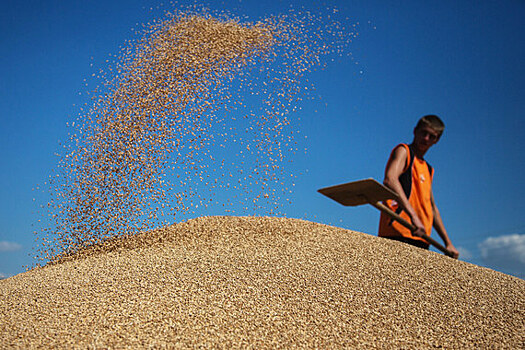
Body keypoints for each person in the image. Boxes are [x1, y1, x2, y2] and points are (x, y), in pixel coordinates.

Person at [378, 115, 459, 258]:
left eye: (432, 136)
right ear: (415, 131)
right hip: (398, 231)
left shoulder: (428, 169)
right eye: (424, 133)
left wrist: (448, 243)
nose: (426, 138)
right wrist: (413, 217)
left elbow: (432, 208)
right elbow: (390, 180)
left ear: (437, 140)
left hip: (421, 236)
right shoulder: (404, 151)